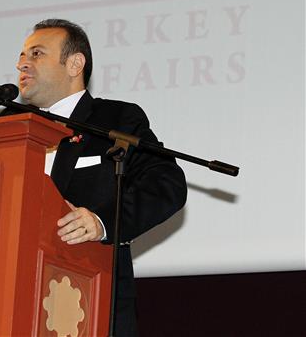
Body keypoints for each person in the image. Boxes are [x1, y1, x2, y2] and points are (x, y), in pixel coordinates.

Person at [13, 18, 187, 336]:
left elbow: (166, 184)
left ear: (75, 64)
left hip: (86, 298)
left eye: (36, 54)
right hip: (12, 292)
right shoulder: (8, 124)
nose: (22, 64)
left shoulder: (115, 119)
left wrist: (101, 221)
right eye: (22, 56)